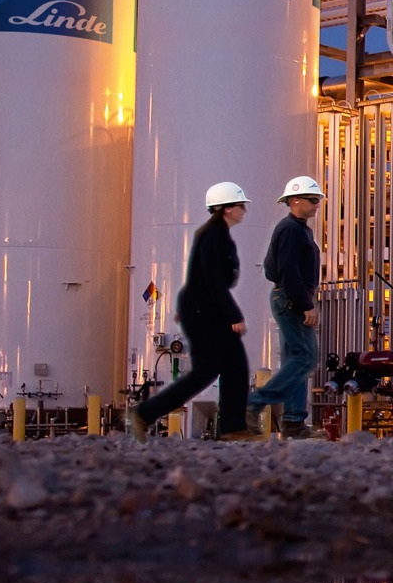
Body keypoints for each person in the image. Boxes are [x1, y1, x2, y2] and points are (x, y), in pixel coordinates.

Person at [131, 182, 257, 440]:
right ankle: (144, 413)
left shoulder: (215, 234)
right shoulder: (214, 237)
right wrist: (234, 315)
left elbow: (198, 276)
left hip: (204, 309)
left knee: (234, 367)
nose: (244, 210)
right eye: (240, 205)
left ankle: (233, 428)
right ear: (226, 209)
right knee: (208, 371)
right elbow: (212, 280)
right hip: (206, 312)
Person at [247, 176, 325, 438]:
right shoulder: (291, 229)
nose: (317, 205)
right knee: (305, 358)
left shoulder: (297, 229)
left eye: (318, 200)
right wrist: (305, 305)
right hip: (292, 299)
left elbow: (271, 268)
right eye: (313, 200)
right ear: (295, 201)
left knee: (296, 360)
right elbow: (287, 270)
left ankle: (293, 422)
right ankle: (255, 403)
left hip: (286, 297)